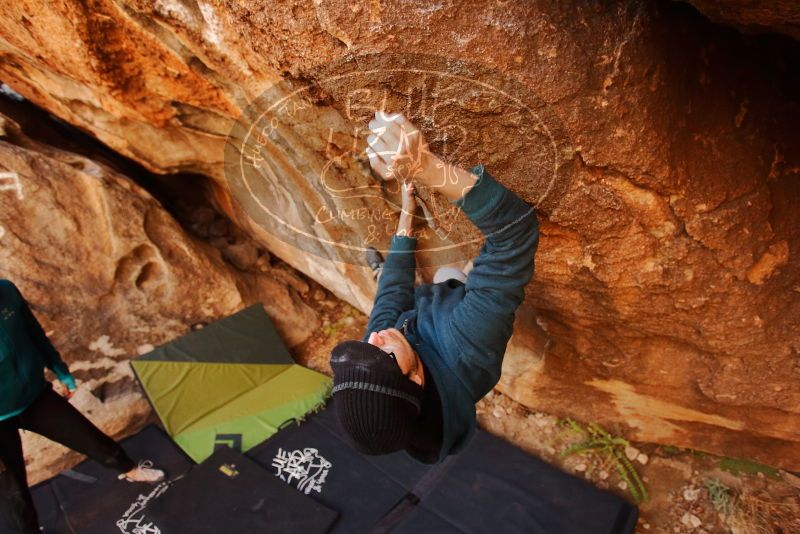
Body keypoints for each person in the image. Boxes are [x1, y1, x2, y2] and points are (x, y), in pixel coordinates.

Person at [329, 112, 540, 463]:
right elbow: (516, 232)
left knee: (424, 281)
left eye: (366, 347)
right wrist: (425, 168)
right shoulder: (467, 346)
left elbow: (391, 296)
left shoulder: (380, 351)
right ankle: (470, 279)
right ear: (414, 381)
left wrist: (405, 220)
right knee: (453, 274)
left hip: (430, 318)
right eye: (382, 354)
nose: (376, 337)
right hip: (455, 321)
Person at [0, 279, 166, 534]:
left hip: (35, 396)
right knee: (13, 493)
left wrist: (61, 372)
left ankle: (130, 470)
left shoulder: (7, 291)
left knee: (90, 439)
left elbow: (34, 335)